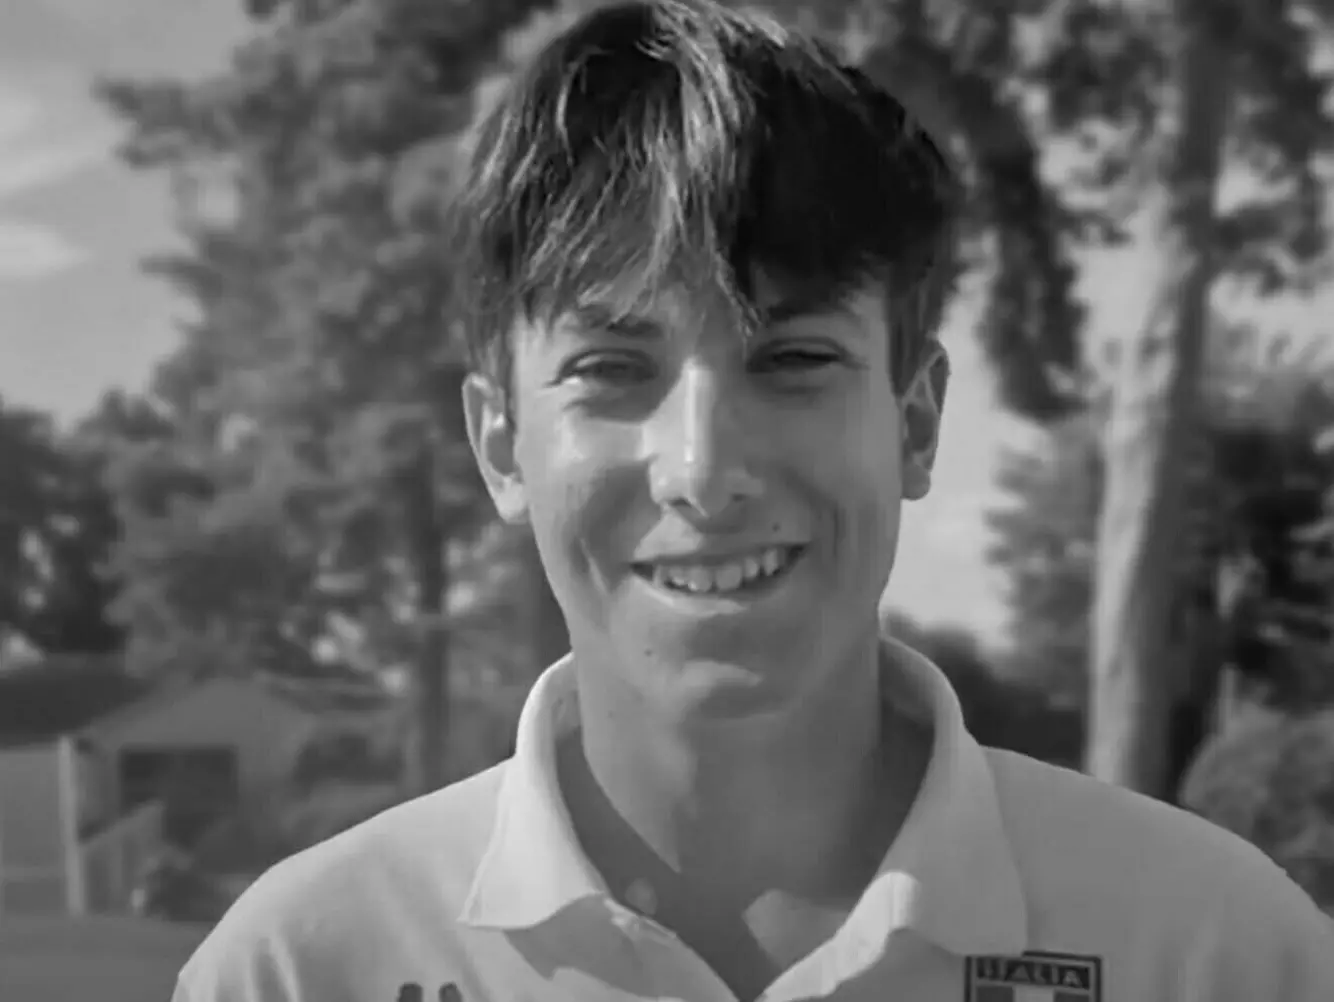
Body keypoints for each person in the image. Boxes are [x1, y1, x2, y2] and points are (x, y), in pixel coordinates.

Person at [173, 2, 1334, 1000]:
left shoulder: (1217, 953)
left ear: (914, 422)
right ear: (500, 446)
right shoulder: (302, 967)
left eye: (792, 359)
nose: (701, 468)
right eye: (610, 369)